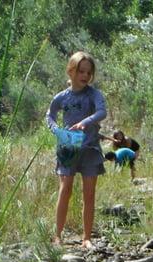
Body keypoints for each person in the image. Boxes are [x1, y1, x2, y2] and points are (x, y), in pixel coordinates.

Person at [46, 51, 107, 249]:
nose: (85, 76)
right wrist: (56, 130)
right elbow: (50, 115)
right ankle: (58, 235)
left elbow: (101, 111)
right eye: (81, 71)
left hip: (90, 148)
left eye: (89, 73)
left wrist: (85, 122)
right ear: (71, 71)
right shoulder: (62, 97)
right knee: (65, 189)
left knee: (89, 194)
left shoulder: (94, 94)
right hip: (68, 146)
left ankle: (86, 237)